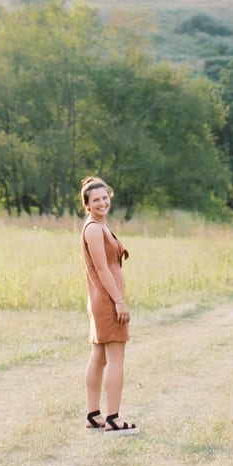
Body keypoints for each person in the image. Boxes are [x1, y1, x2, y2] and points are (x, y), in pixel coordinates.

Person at [79, 175, 138, 434]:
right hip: (107, 301)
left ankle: (94, 414)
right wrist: (119, 301)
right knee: (115, 358)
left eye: (105, 198)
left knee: (100, 356)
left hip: (102, 300)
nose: (102, 203)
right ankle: (113, 418)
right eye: (96, 200)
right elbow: (103, 269)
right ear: (87, 204)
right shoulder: (92, 229)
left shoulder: (100, 226)